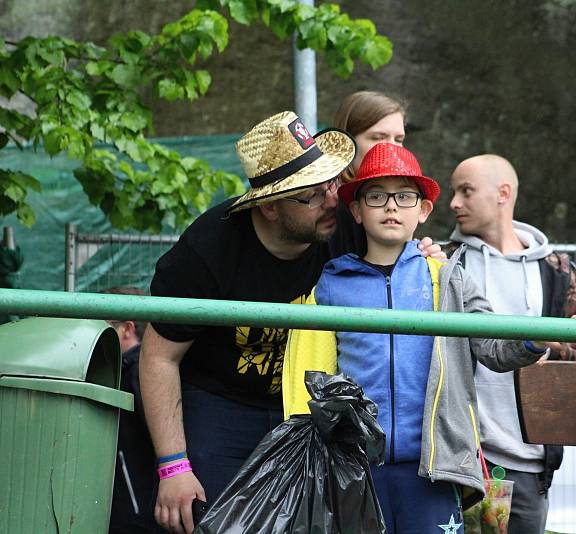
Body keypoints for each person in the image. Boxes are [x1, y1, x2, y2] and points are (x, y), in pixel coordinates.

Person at [140, 111, 441, 533]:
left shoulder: (344, 228)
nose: (331, 199)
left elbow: (398, 259)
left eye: (332, 183)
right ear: (268, 207)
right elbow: (158, 357)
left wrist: (423, 258)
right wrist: (173, 467)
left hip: (309, 405)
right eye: (312, 194)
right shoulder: (210, 248)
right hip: (221, 400)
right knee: (212, 520)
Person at [282, 143, 554, 534]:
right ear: (356, 211)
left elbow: (492, 346)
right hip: (355, 467)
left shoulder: (445, 277)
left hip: (432, 467)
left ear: (423, 210)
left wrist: (537, 336)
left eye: (405, 196)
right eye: (376, 196)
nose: (391, 206)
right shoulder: (331, 283)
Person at [447, 154, 576, 534]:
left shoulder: (558, 269)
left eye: (466, 191)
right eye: (453, 192)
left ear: (503, 193)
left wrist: (557, 345)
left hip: (531, 463)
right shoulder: (445, 263)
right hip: (463, 458)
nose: (454, 204)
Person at [329, 90, 407, 258]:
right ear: (346, 143)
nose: (391, 148)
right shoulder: (325, 206)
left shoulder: (406, 199)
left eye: (399, 140)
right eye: (378, 137)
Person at [104, 286, 157, 534]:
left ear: (127, 329)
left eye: (104, 328)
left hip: (137, 509)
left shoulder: (137, 371)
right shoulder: (128, 369)